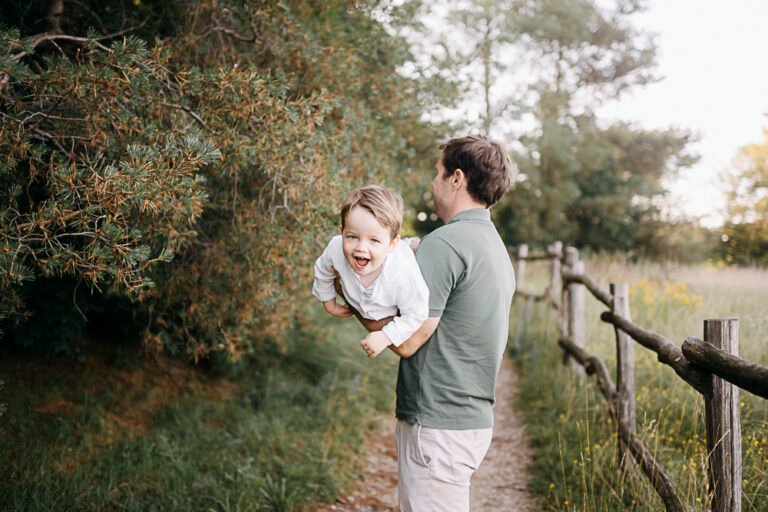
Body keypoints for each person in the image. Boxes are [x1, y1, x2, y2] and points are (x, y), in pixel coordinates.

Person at [359, 135, 516, 511]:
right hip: (468, 420)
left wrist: (354, 294)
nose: (434, 182)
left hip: (437, 425)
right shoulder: (494, 247)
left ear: (456, 178)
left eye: (438, 172)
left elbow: (408, 341)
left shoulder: (445, 244)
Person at [312, 184, 430, 358]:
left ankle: (412, 245)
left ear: (391, 244)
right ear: (342, 232)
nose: (361, 247)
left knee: (413, 251)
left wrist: (385, 336)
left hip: (396, 274)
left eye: (373, 240)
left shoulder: (403, 276)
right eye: (352, 237)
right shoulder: (336, 248)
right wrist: (328, 301)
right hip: (371, 288)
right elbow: (323, 270)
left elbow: (416, 313)